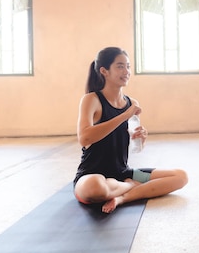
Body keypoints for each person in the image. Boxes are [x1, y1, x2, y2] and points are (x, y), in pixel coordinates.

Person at [73, 47, 188, 213]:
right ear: (104, 71)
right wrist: (125, 115)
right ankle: (130, 186)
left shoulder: (130, 102)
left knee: (180, 176)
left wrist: (139, 138)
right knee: (95, 188)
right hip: (92, 175)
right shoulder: (92, 100)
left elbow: (136, 148)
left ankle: (122, 197)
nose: (126, 71)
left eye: (128, 66)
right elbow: (84, 138)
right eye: (120, 66)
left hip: (124, 173)